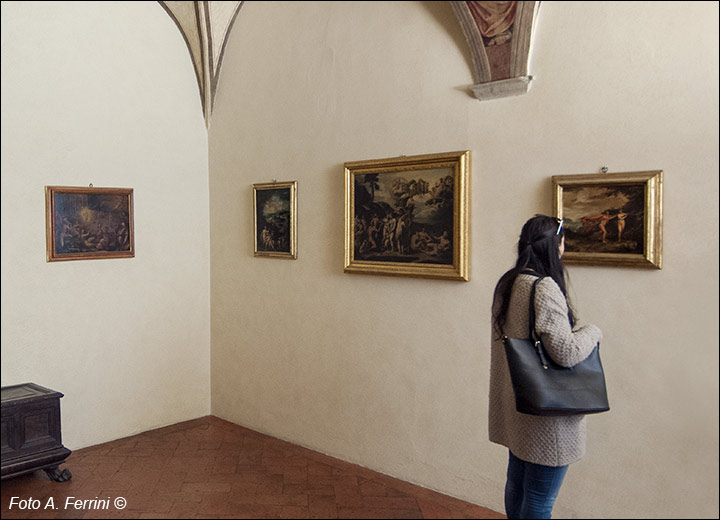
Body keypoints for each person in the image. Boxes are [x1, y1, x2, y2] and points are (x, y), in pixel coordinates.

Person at [489, 214, 603, 519]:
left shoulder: (509, 283)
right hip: (546, 417)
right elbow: (565, 352)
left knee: (517, 486)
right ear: (556, 246)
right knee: (540, 500)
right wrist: (593, 331)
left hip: (518, 405)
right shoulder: (544, 287)